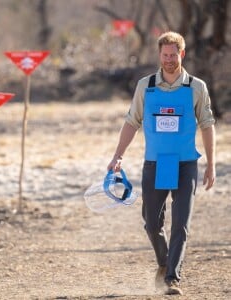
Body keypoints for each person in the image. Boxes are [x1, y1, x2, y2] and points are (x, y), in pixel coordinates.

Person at [107, 31, 216, 296]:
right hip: (155, 164)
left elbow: (207, 125)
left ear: (182, 54)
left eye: (173, 55)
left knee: (181, 223)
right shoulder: (147, 86)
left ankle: (172, 278)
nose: (169, 60)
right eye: (165, 55)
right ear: (159, 55)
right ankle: (164, 262)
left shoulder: (196, 87)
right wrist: (118, 155)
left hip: (186, 164)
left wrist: (211, 164)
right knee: (152, 223)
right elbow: (132, 121)